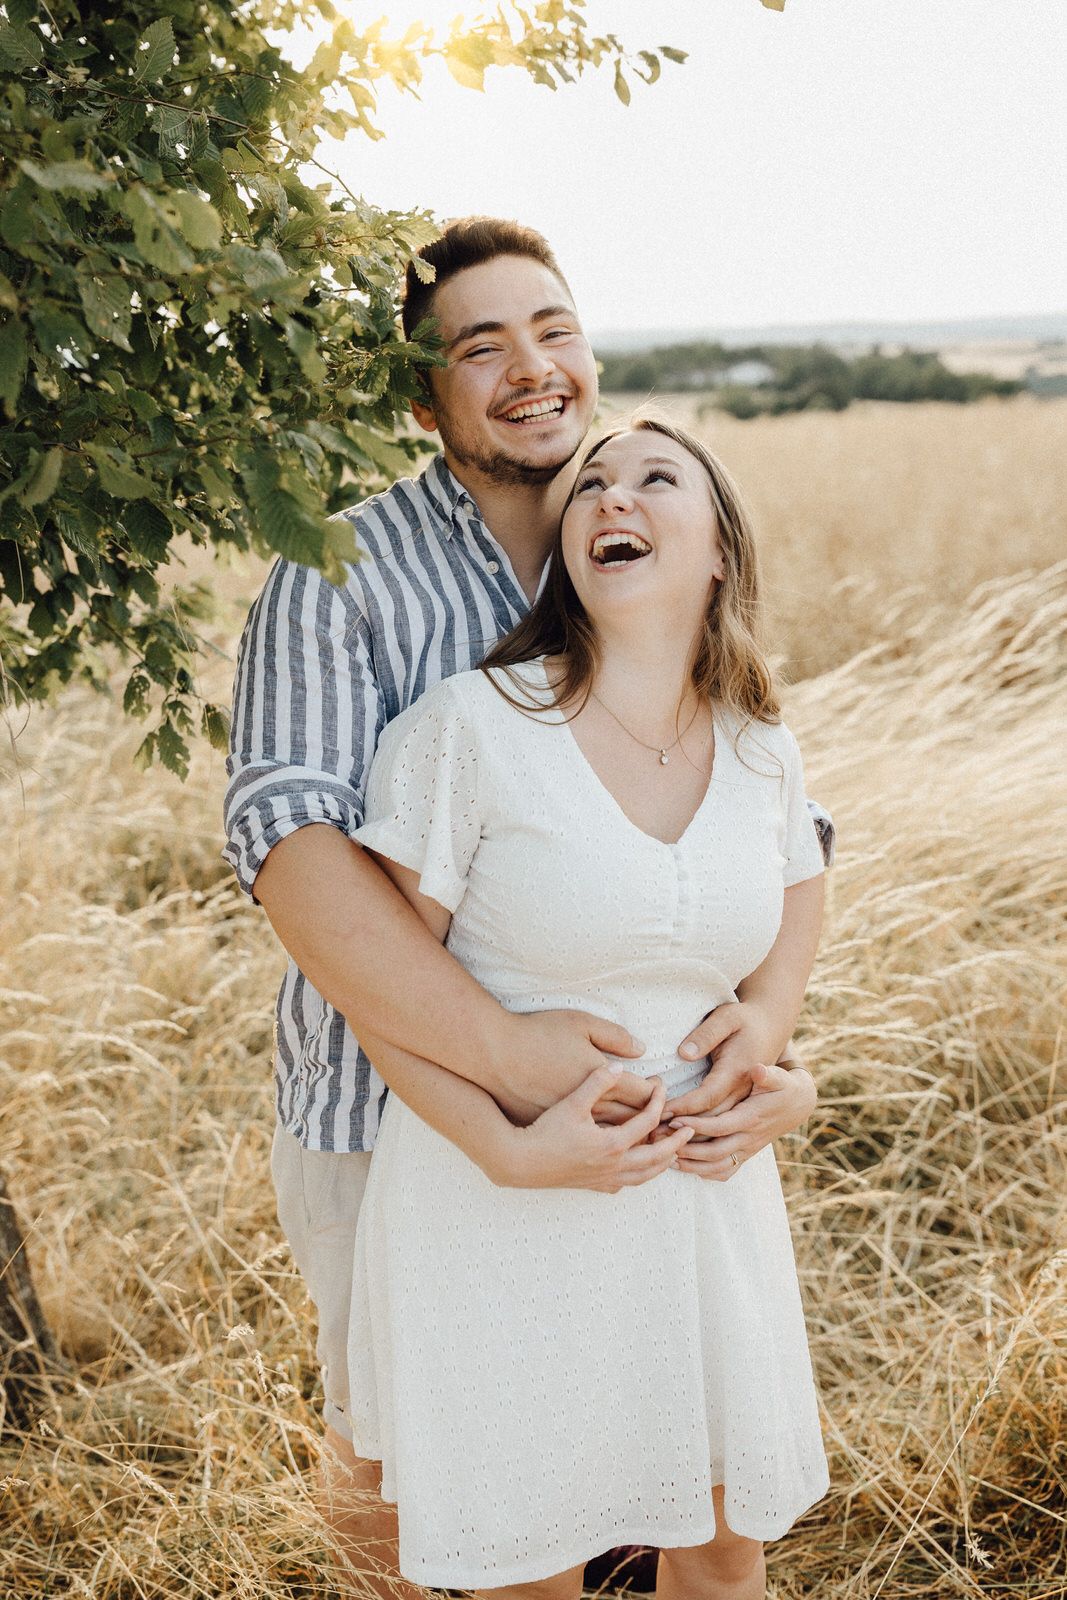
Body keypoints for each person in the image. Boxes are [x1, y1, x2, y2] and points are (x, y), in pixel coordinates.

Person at [222, 216, 833, 1594]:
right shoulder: (345, 568)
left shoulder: (628, 558)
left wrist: (768, 1038)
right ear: (426, 393)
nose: (529, 368)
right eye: (479, 347)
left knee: (646, 1481)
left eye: (553, 331)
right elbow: (285, 831)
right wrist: (498, 1078)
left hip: (650, 1131)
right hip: (390, 1117)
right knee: (415, 1494)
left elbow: (781, 837)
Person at [345, 413, 829, 1597]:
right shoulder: (469, 730)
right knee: (534, 1567)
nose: (611, 497)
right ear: (568, 552)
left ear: (718, 548)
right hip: (501, 1202)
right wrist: (508, 1148)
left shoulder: (762, 749)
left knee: (720, 1550)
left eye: (655, 477)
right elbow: (382, 995)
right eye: (591, 486)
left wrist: (769, 1041)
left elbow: (798, 902)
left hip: (703, 1207)